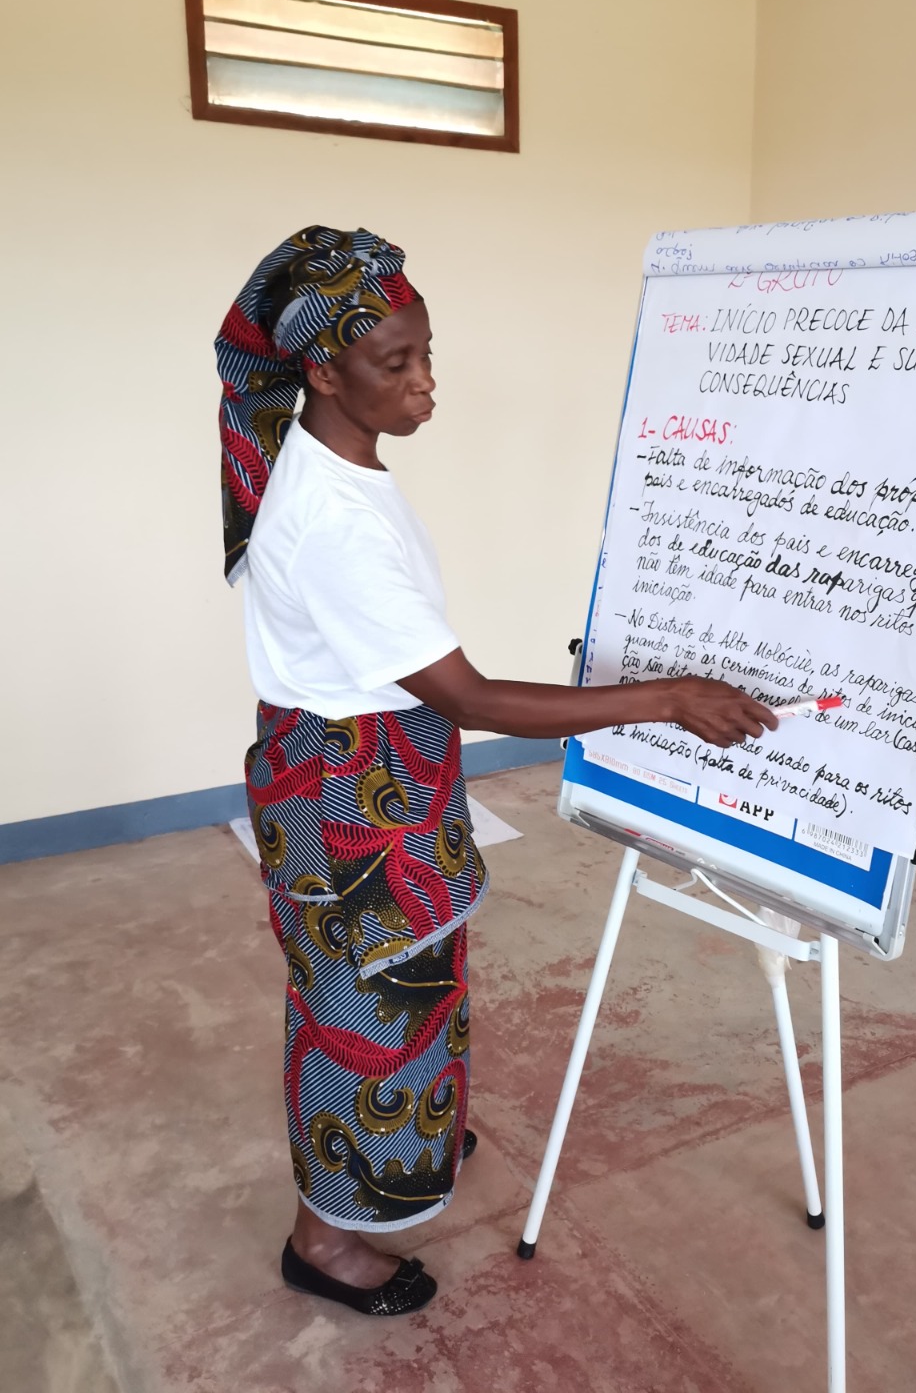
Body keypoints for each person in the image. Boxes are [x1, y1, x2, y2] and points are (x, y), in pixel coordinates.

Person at [217, 226, 777, 1317]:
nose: (427, 382)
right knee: (359, 1008)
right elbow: (469, 698)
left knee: (407, 982)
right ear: (322, 371)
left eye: (429, 352)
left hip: (371, 768)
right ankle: (323, 1237)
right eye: (397, 364)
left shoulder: (339, 465)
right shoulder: (328, 519)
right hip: (351, 791)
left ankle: (413, 1126)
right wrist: (665, 697)